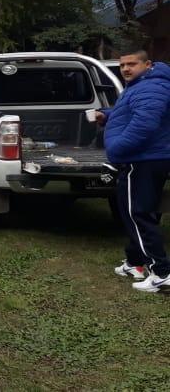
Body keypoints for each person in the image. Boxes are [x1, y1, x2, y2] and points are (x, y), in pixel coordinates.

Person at [96, 50, 170, 293]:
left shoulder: (151, 87)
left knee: (138, 214)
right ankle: (135, 263)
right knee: (137, 212)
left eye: (132, 64)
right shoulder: (141, 85)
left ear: (148, 64)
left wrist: (116, 149)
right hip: (149, 158)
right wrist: (106, 115)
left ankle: (161, 272)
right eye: (122, 65)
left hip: (142, 160)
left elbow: (144, 124)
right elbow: (130, 113)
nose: (126, 69)